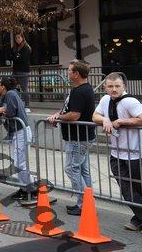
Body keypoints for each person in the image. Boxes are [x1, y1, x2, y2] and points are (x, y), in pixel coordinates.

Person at [92, 73, 142, 231]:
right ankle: (140, 217)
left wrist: (121, 121)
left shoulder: (130, 101)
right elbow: (94, 116)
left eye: (117, 86)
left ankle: (138, 219)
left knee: (138, 188)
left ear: (123, 86)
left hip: (135, 154)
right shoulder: (105, 99)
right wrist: (105, 120)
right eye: (110, 86)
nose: (114, 89)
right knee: (126, 189)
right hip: (116, 153)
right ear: (105, 87)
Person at [47, 59, 96, 215]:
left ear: (76, 74)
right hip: (82, 136)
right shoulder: (83, 89)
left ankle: (85, 204)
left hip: (78, 138)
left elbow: (74, 115)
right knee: (83, 170)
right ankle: (87, 202)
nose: (67, 72)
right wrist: (58, 115)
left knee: (71, 169)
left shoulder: (79, 91)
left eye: (69, 70)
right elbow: (68, 109)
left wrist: (59, 118)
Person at [0, 77, 36, 201]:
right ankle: (24, 188)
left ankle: (32, 189)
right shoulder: (4, 96)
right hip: (15, 132)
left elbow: (11, 113)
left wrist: (1, 111)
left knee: (20, 163)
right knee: (17, 162)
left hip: (21, 131)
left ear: (3, 86)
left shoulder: (11, 94)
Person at [11, 33, 32, 108]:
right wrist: (16, 57)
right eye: (16, 38)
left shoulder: (26, 47)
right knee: (11, 86)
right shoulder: (15, 48)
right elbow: (11, 56)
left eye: (19, 37)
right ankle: (15, 103)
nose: (17, 39)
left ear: (22, 38)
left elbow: (23, 59)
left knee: (24, 88)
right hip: (15, 70)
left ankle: (27, 105)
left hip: (23, 71)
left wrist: (16, 57)